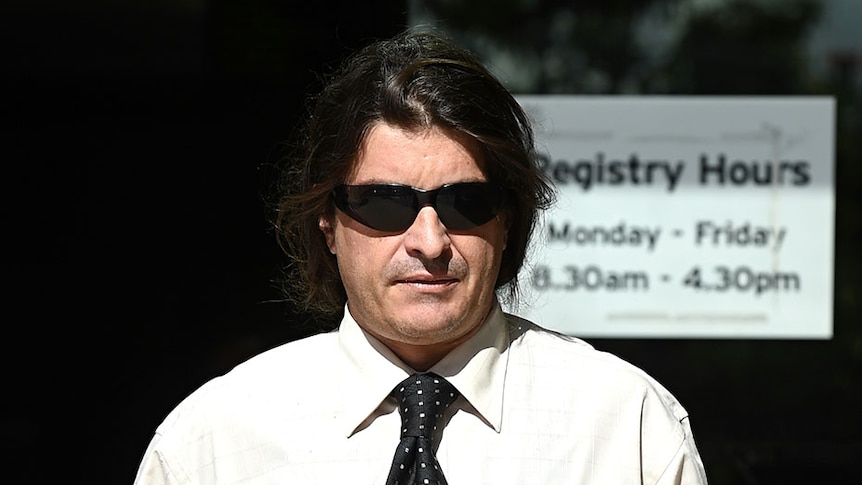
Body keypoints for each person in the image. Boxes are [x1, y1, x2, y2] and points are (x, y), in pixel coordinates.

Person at [134, 28, 708, 484]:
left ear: (508, 222)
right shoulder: (213, 444)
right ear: (327, 223)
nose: (430, 243)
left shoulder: (627, 430)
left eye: (467, 202)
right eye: (384, 205)